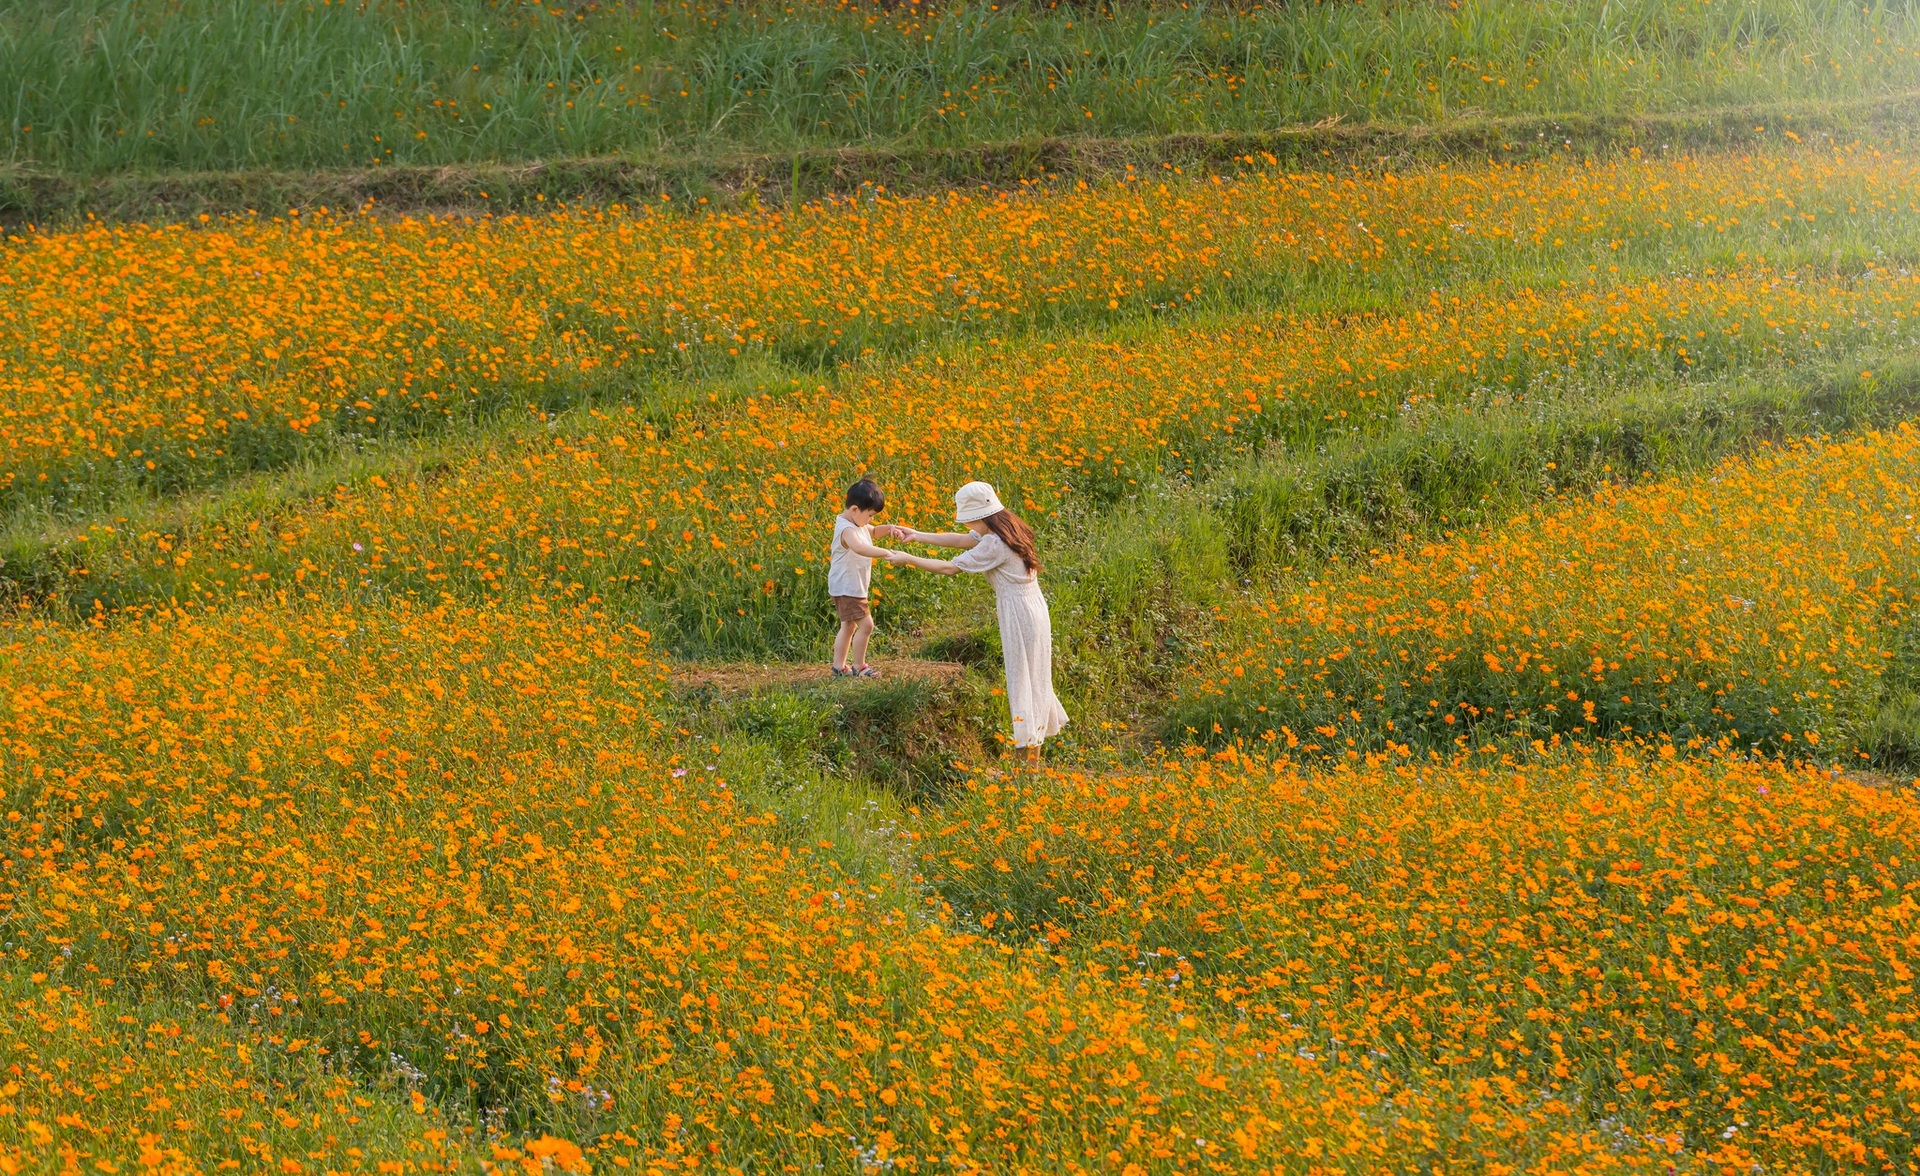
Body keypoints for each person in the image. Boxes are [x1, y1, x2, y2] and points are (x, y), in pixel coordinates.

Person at [887, 481, 1068, 763]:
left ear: (979, 516)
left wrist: (909, 559)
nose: (966, 523)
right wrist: (917, 536)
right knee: (1035, 681)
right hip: (1033, 608)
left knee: (1022, 682)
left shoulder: (995, 543)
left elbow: (950, 568)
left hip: (1020, 613)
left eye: (968, 518)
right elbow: (961, 540)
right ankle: (1031, 766)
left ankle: (1025, 770)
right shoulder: (1006, 527)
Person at [829, 477, 907, 678]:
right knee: (867, 625)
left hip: (849, 586)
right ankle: (859, 666)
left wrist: (890, 529)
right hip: (847, 587)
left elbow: (873, 532)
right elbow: (859, 547)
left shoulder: (859, 524)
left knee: (848, 626)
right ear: (855, 510)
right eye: (870, 515)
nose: (871, 520)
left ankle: (839, 667)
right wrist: (885, 553)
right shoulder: (846, 530)